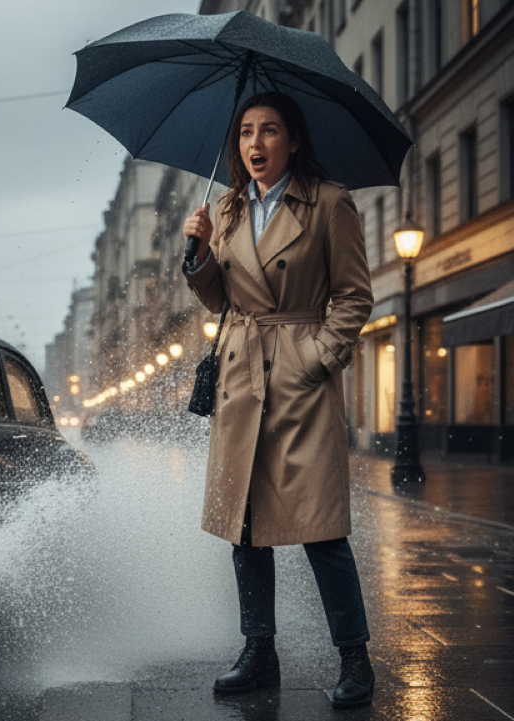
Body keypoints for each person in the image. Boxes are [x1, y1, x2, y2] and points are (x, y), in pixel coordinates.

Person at [181, 92, 375, 709]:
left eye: (269, 131)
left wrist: (315, 360)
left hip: (299, 380)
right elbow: (223, 301)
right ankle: (258, 653)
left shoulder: (328, 202)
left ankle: (355, 657)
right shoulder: (229, 208)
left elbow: (353, 297)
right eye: (244, 133)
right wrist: (199, 253)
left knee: (321, 530)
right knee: (246, 527)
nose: (256, 144)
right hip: (243, 378)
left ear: (293, 139)